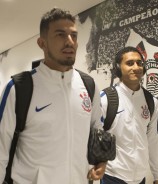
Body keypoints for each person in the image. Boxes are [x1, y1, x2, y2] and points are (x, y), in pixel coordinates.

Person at [0, 8, 106, 183]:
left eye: (74, 35)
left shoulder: (89, 85)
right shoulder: (19, 88)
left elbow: (97, 129)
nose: (70, 42)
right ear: (42, 43)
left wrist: (101, 160)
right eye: (60, 35)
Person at [100, 46, 158, 184]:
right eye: (129, 63)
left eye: (139, 63)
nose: (136, 67)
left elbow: (152, 140)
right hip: (112, 177)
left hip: (140, 178)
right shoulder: (105, 99)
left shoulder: (151, 101)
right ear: (118, 68)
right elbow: (91, 137)